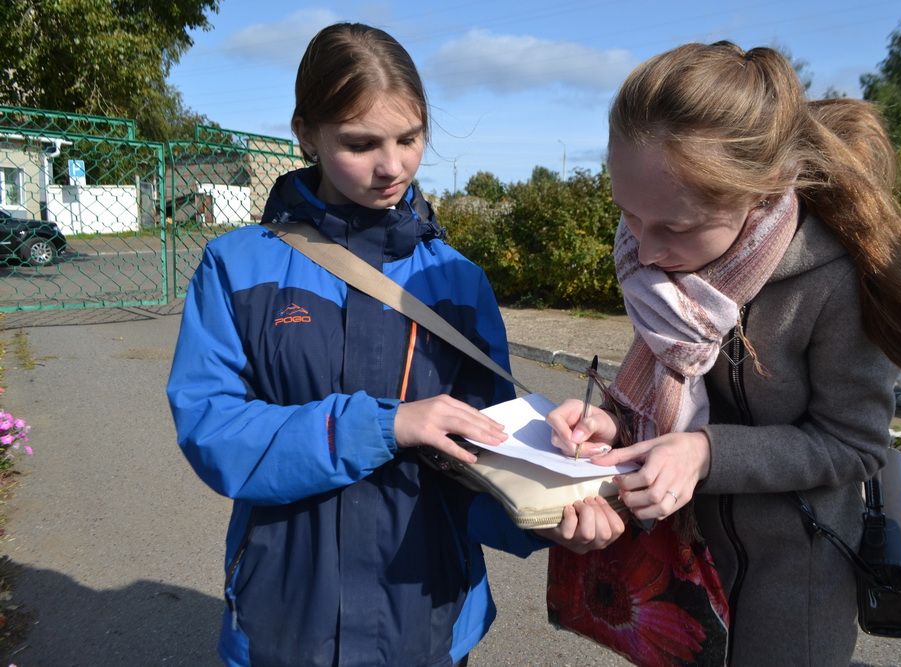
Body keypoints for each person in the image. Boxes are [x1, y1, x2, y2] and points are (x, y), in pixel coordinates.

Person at [166, 23, 623, 667]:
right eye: (360, 143)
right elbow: (213, 431)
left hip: (429, 617)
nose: (393, 166)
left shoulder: (457, 280)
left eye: (410, 139)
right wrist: (385, 425)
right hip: (285, 613)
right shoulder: (236, 267)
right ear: (306, 134)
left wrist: (555, 506)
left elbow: (487, 454)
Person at [547, 41, 901, 666]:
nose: (643, 252)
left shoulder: (837, 282)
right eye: (627, 215)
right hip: (680, 580)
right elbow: (669, 394)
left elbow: (855, 443)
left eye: (673, 227)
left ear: (763, 193)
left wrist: (706, 454)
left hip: (792, 594)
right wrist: (613, 426)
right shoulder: (666, 269)